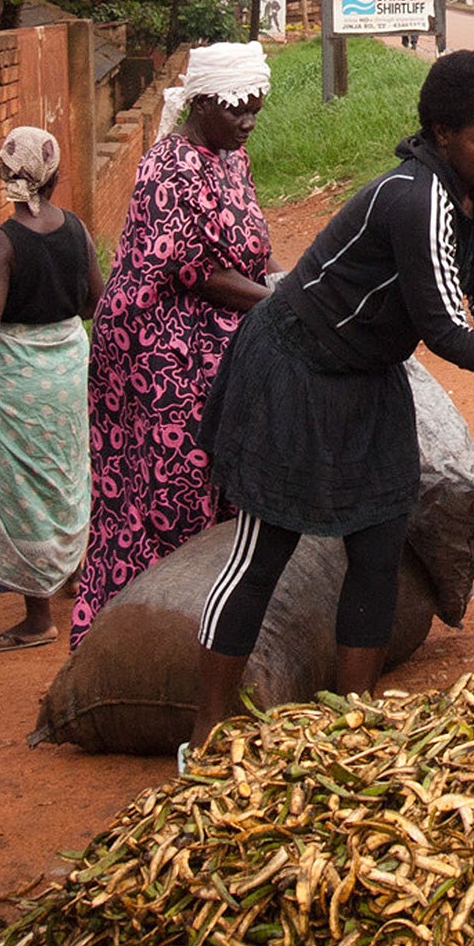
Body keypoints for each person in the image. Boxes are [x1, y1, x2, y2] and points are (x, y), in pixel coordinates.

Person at [190, 50, 474, 749]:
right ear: (442, 133)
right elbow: (448, 333)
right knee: (264, 551)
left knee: (380, 544)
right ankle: (207, 727)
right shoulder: (412, 198)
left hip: (368, 379)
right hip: (294, 372)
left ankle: (351, 722)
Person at [78, 42, 276, 647]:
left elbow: (247, 251)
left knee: (218, 478)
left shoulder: (228, 160)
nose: (246, 122)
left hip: (214, 346)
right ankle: (134, 636)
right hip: (160, 352)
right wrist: (280, 304)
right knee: (167, 491)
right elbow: (190, 269)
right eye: (235, 109)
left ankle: (204, 627)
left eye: (255, 110)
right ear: (200, 103)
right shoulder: (169, 167)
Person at [0, 127, 105, 652]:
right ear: (56, 174)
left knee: (24, 487)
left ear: (3, 174)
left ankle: (37, 617)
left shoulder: (1, 241)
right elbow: (95, 303)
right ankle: (73, 577)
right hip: (66, 368)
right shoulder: (77, 229)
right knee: (66, 473)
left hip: (19, 381)